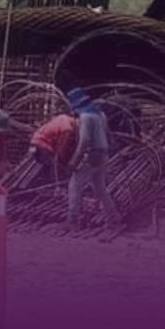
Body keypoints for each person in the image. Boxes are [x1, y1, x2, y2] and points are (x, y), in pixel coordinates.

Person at [65, 88, 122, 229]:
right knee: (100, 187)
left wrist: (74, 160)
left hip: (92, 154)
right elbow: (108, 135)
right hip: (103, 153)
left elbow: (84, 141)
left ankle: (73, 220)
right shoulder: (100, 115)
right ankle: (114, 217)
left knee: (74, 185)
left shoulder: (85, 117)